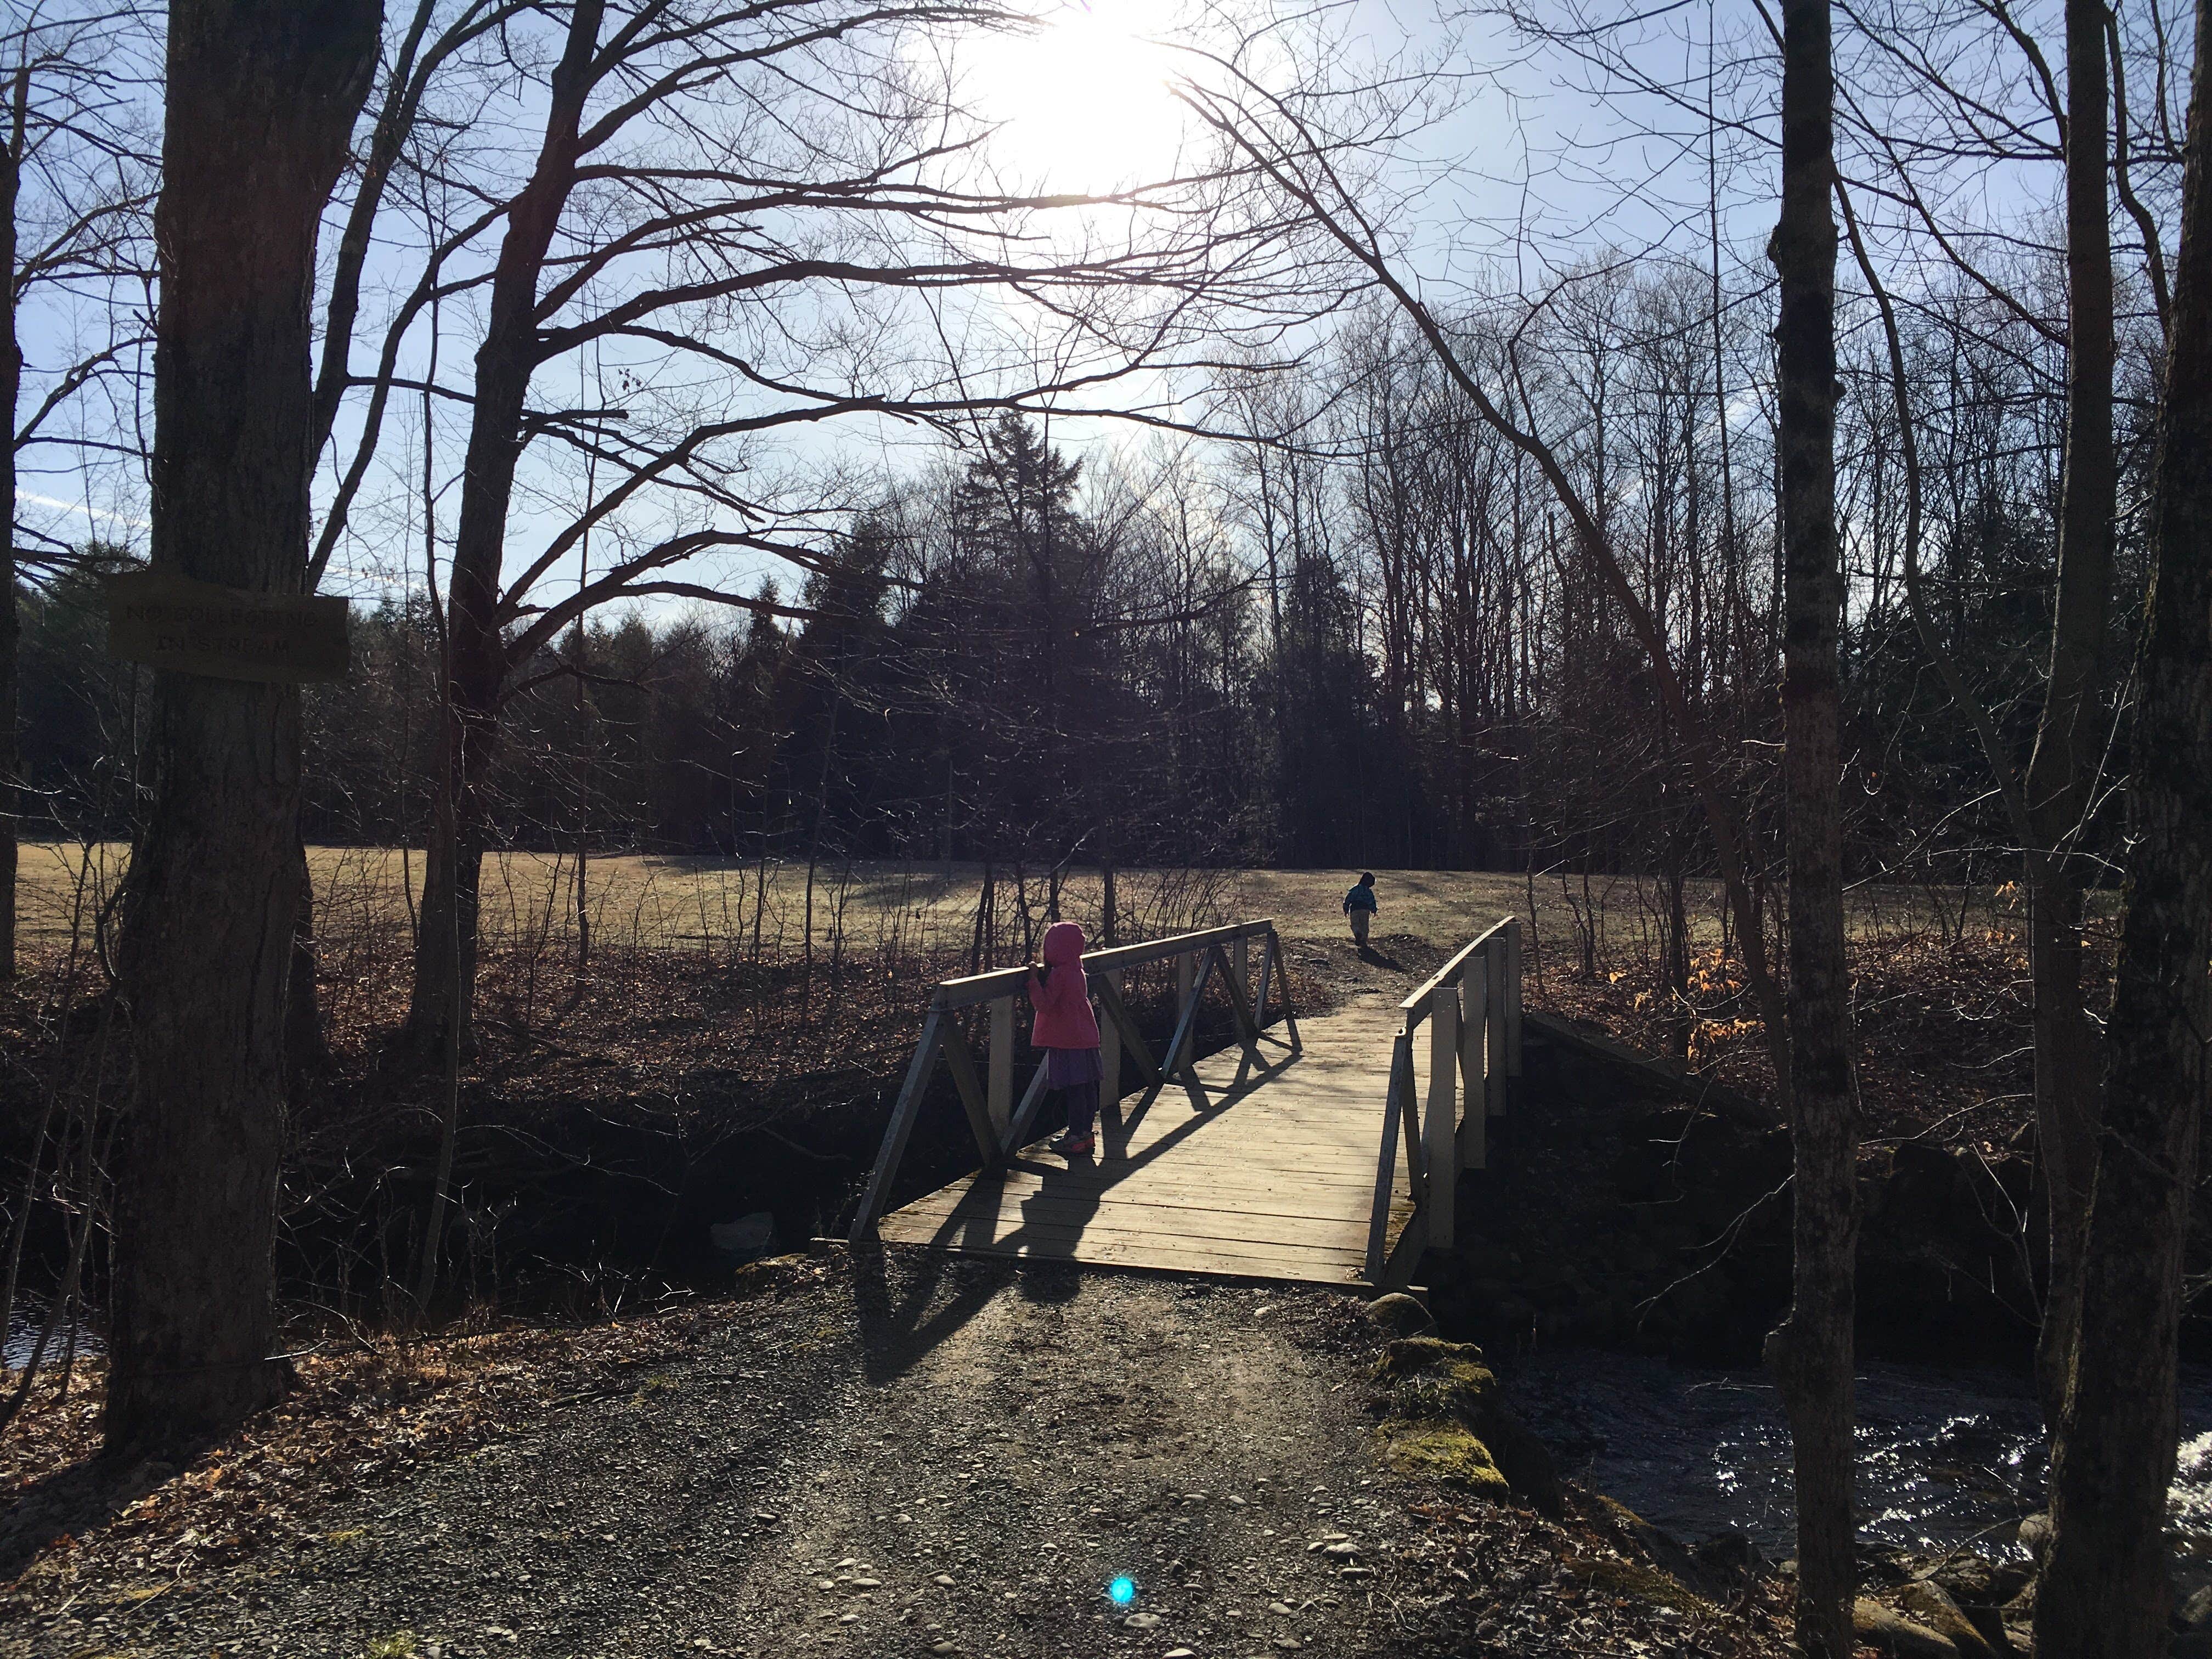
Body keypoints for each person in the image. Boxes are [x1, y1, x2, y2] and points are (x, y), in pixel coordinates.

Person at [1029, 919, 1104, 1157]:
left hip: (1067, 1039)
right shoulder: (1078, 970)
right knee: (1087, 1087)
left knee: (1074, 1089)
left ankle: (1075, 1137)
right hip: (1086, 1036)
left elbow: (1044, 1004)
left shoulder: (1060, 974)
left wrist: (1033, 981)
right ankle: (1086, 1134)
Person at [1343, 871, 1378, 945]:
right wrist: (1374, 910)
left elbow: (1348, 899)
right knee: (1364, 925)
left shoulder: (1355, 889)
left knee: (1355, 924)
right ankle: (1363, 939)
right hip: (1365, 909)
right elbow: (1371, 901)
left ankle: (1357, 933)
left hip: (1355, 909)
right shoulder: (1369, 892)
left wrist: (1346, 908)